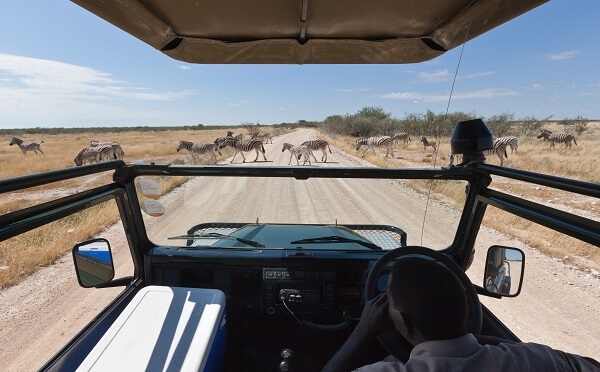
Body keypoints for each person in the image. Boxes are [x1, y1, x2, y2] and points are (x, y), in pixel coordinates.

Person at [323, 256, 600, 371]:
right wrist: (480, 340)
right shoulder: (532, 359)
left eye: (388, 301)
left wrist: (362, 333)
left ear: (403, 324)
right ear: (466, 307)